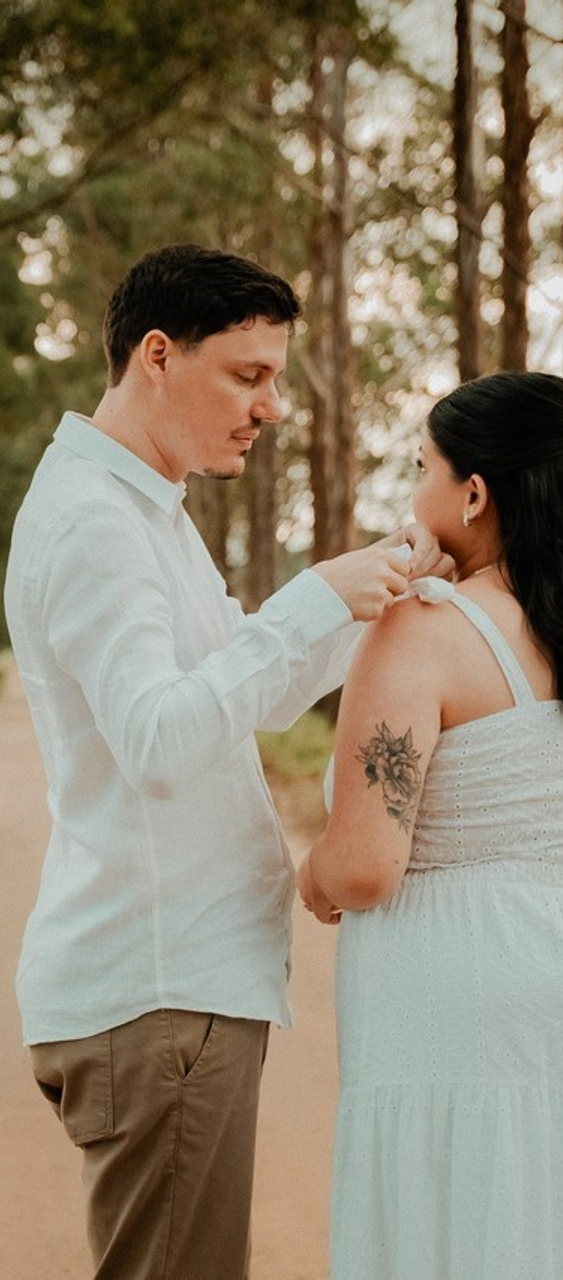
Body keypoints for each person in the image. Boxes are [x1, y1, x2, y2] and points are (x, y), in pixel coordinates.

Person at [3, 242, 453, 1279]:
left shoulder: (137, 505)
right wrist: (307, 599)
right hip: (157, 994)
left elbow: (239, 693)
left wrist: (372, 588)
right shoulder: (92, 521)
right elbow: (158, 741)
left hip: (174, 990)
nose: (272, 406)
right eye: (246, 375)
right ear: (155, 355)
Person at [297, 371, 563, 1279]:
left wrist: (312, 874)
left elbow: (367, 866)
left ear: (474, 493)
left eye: (423, 468)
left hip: (451, 991)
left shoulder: (423, 629)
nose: (415, 492)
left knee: (448, 1212)